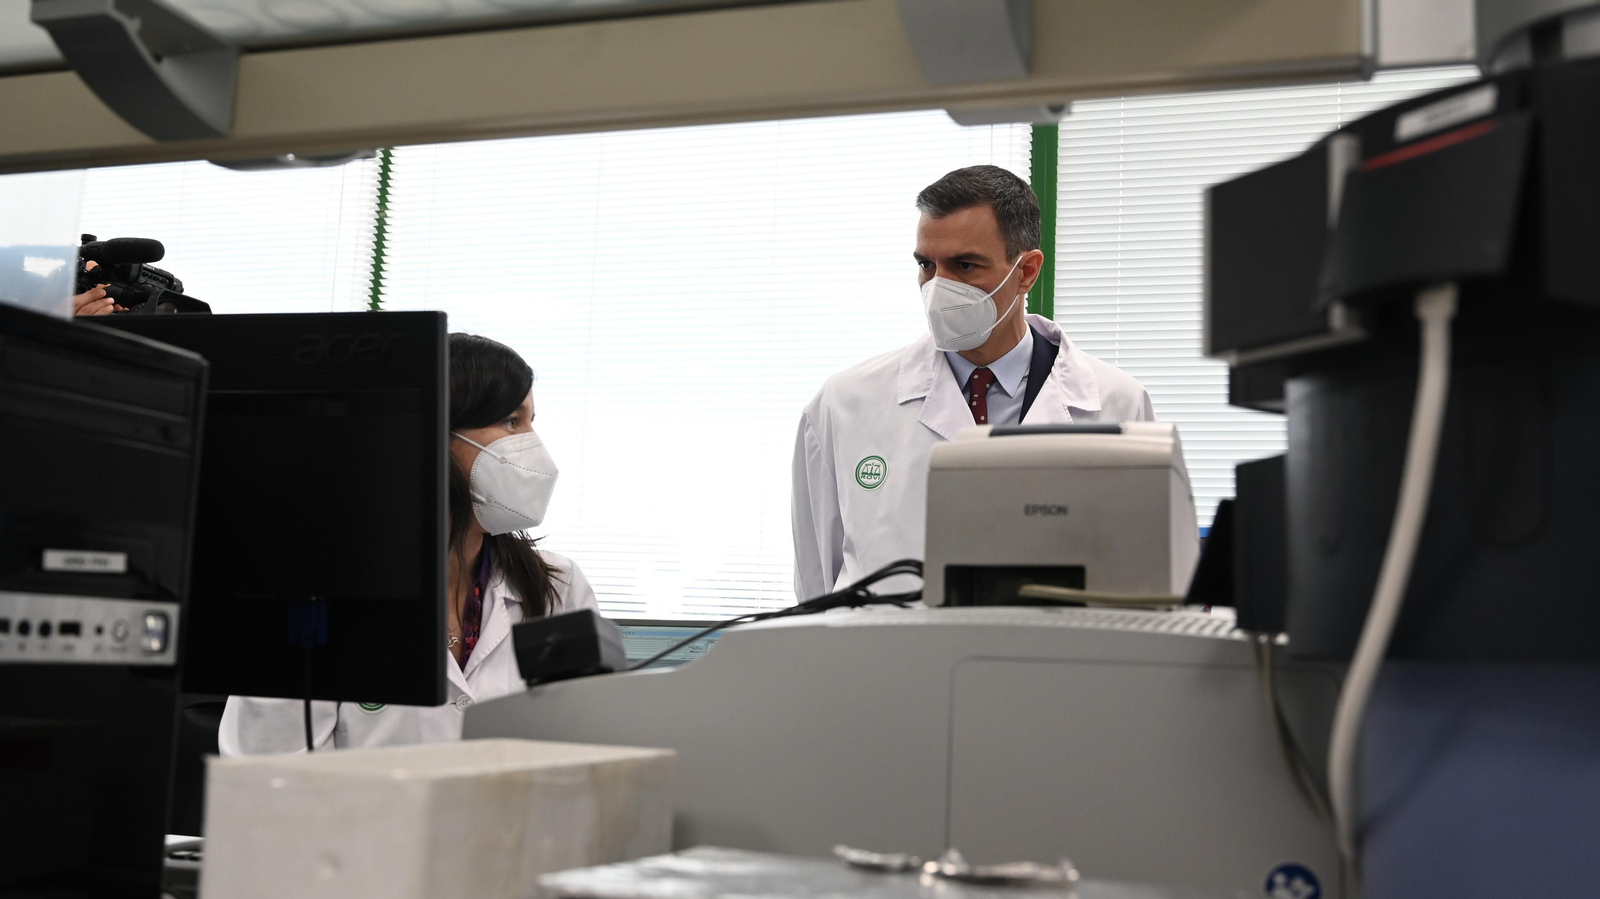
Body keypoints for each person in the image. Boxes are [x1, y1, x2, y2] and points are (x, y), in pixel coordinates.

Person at [219, 333, 598, 753]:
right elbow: (268, 782)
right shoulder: (312, 597)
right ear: (435, 434)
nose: (533, 444)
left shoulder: (558, 588)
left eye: (531, 422)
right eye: (512, 421)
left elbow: (589, 750)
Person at [791, 165, 1156, 600]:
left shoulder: (1119, 404)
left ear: (1026, 272)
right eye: (927, 265)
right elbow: (816, 588)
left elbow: (1144, 579)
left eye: (965, 265)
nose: (938, 288)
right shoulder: (843, 404)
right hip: (886, 666)